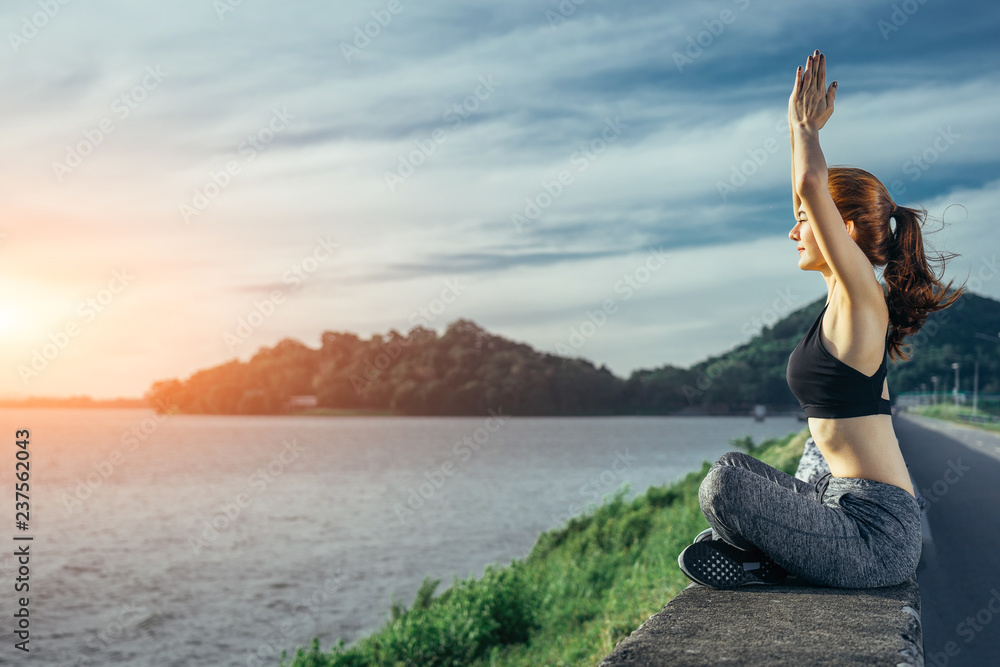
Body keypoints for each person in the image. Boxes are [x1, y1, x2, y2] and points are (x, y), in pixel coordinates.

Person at [677, 50, 964, 589]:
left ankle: (766, 561)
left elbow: (812, 183)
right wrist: (793, 131)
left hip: (877, 534)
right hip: (835, 501)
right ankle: (769, 560)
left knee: (721, 489)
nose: (793, 231)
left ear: (846, 230)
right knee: (735, 467)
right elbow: (804, 188)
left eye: (804, 222)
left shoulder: (862, 299)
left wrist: (806, 129)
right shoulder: (840, 295)